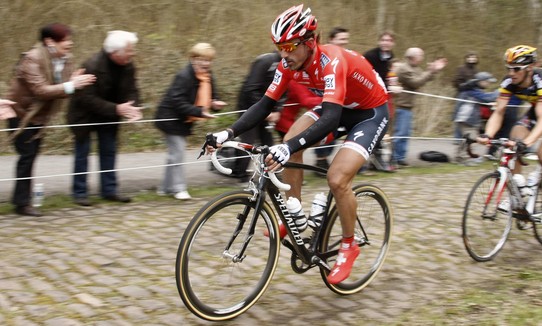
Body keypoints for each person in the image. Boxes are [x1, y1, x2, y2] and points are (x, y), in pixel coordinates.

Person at [205, 5, 390, 284]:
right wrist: (227, 132)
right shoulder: (288, 64)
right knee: (291, 135)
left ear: (310, 42)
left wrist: (288, 148)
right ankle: (294, 215)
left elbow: (329, 118)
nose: (284, 54)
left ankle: (348, 245)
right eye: (279, 46)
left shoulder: (332, 61)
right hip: (337, 108)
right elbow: (265, 104)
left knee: (337, 178)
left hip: (369, 113)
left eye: (290, 46)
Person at [6, 23, 96, 216]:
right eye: (65, 40)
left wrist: (73, 82)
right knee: (27, 156)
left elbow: (61, 88)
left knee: (30, 157)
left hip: (40, 117)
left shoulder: (65, 59)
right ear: (49, 42)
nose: (70, 44)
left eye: (70, 39)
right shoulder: (32, 59)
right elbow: (41, 90)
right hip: (21, 114)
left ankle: (21, 200)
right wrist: (71, 84)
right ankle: (22, 203)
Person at [477, 45, 542, 224]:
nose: (511, 73)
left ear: (529, 68)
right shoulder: (509, 82)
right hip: (537, 111)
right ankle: (519, 189)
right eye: (508, 68)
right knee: (513, 139)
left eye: (516, 69)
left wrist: (527, 143)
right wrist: (488, 135)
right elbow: (499, 112)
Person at [67, 30, 142, 206]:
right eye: (129, 50)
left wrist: (134, 106)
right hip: (84, 115)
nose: (133, 53)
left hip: (109, 115)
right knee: (82, 153)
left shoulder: (128, 65)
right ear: (115, 52)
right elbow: (87, 99)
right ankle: (80, 193)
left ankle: (109, 190)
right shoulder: (92, 65)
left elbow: (132, 89)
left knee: (109, 151)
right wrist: (117, 108)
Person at [154, 43, 226, 200]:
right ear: (193, 59)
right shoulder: (184, 76)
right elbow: (176, 101)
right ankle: (179, 188)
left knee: (174, 154)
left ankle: (165, 188)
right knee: (178, 153)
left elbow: (213, 96)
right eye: (202, 60)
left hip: (184, 120)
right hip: (170, 118)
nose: (206, 64)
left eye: (208, 60)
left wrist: (215, 104)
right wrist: (199, 112)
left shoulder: (207, 77)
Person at [230, 51, 282, 181]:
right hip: (249, 106)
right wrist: (265, 110)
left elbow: (284, 90)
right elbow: (250, 88)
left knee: (268, 142)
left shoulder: (287, 65)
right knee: (248, 141)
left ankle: (270, 173)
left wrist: (277, 110)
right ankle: (240, 173)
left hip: (266, 106)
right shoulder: (265, 61)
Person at [392, 47, 447, 166]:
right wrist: (430, 72)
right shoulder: (403, 69)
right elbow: (416, 82)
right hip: (401, 106)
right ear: (413, 57)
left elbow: (423, 79)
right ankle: (396, 157)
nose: (422, 58)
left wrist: (433, 70)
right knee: (400, 133)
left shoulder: (414, 68)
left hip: (408, 106)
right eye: (420, 56)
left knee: (406, 133)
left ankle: (400, 157)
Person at [312, 26, 351, 176]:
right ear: (331, 40)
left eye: (346, 40)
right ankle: (321, 159)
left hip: (346, 106)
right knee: (325, 129)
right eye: (341, 39)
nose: (344, 42)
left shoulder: (346, 56)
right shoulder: (324, 59)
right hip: (328, 103)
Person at [364, 31, 397, 172]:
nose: (385, 42)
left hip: (385, 95)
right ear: (379, 41)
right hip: (370, 94)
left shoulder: (392, 58)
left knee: (385, 124)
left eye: (389, 40)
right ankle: (368, 159)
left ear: (392, 43)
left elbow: (390, 76)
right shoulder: (370, 55)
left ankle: (377, 159)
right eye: (383, 40)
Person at [453, 72, 499, 165]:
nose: (489, 84)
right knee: (471, 138)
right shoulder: (472, 90)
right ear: (481, 81)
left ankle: (460, 157)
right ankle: (464, 159)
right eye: (487, 82)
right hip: (467, 118)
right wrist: (501, 90)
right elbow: (488, 98)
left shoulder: (472, 89)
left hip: (464, 118)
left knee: (467, 139)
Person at [452, 51, 479, 141]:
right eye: (470, 57)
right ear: (466, 58)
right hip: (462, 94)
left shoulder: (476, 70)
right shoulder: (461, 69)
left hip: (472, 96)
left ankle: (466, 137)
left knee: (469, 117)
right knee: (459, 117)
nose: (472, 59)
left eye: (474, 57)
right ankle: (457, 138)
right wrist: (463, 86)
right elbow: (455, 81)